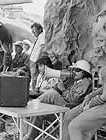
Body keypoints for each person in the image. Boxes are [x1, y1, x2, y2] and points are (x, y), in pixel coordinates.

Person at [23, 59, 92, 140]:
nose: (74, 72)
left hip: (69, 109)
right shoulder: (73, 81)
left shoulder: (85, 82)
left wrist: (63, 89)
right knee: (38, 114)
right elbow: (58, 89)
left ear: (84, 72)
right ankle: (29, 137)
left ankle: (30, 106)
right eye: (73, 70)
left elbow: (73, 99)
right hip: (60, 109)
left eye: (77, 70)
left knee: (52, 94)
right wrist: (60, 84)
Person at [67, 9, 106, 140]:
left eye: (102, 40)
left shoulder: (85, 82)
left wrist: (90, 104)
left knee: (75, 126)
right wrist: (91, 95)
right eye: (100, 40)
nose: (102, 46)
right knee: (68, 117)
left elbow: (105, 96)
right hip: (101, 101)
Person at [30, 22, 45, 90]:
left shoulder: (41, 36)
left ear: (39, 29)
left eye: (34, 30)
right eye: (32, 30)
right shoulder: (39, 37)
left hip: (35, 60)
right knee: (33, 77)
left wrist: (38, 59)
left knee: (34, 77)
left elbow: (42, 47)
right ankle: (33, 90)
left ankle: (33, 91)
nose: (33, 32)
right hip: (33, 60)